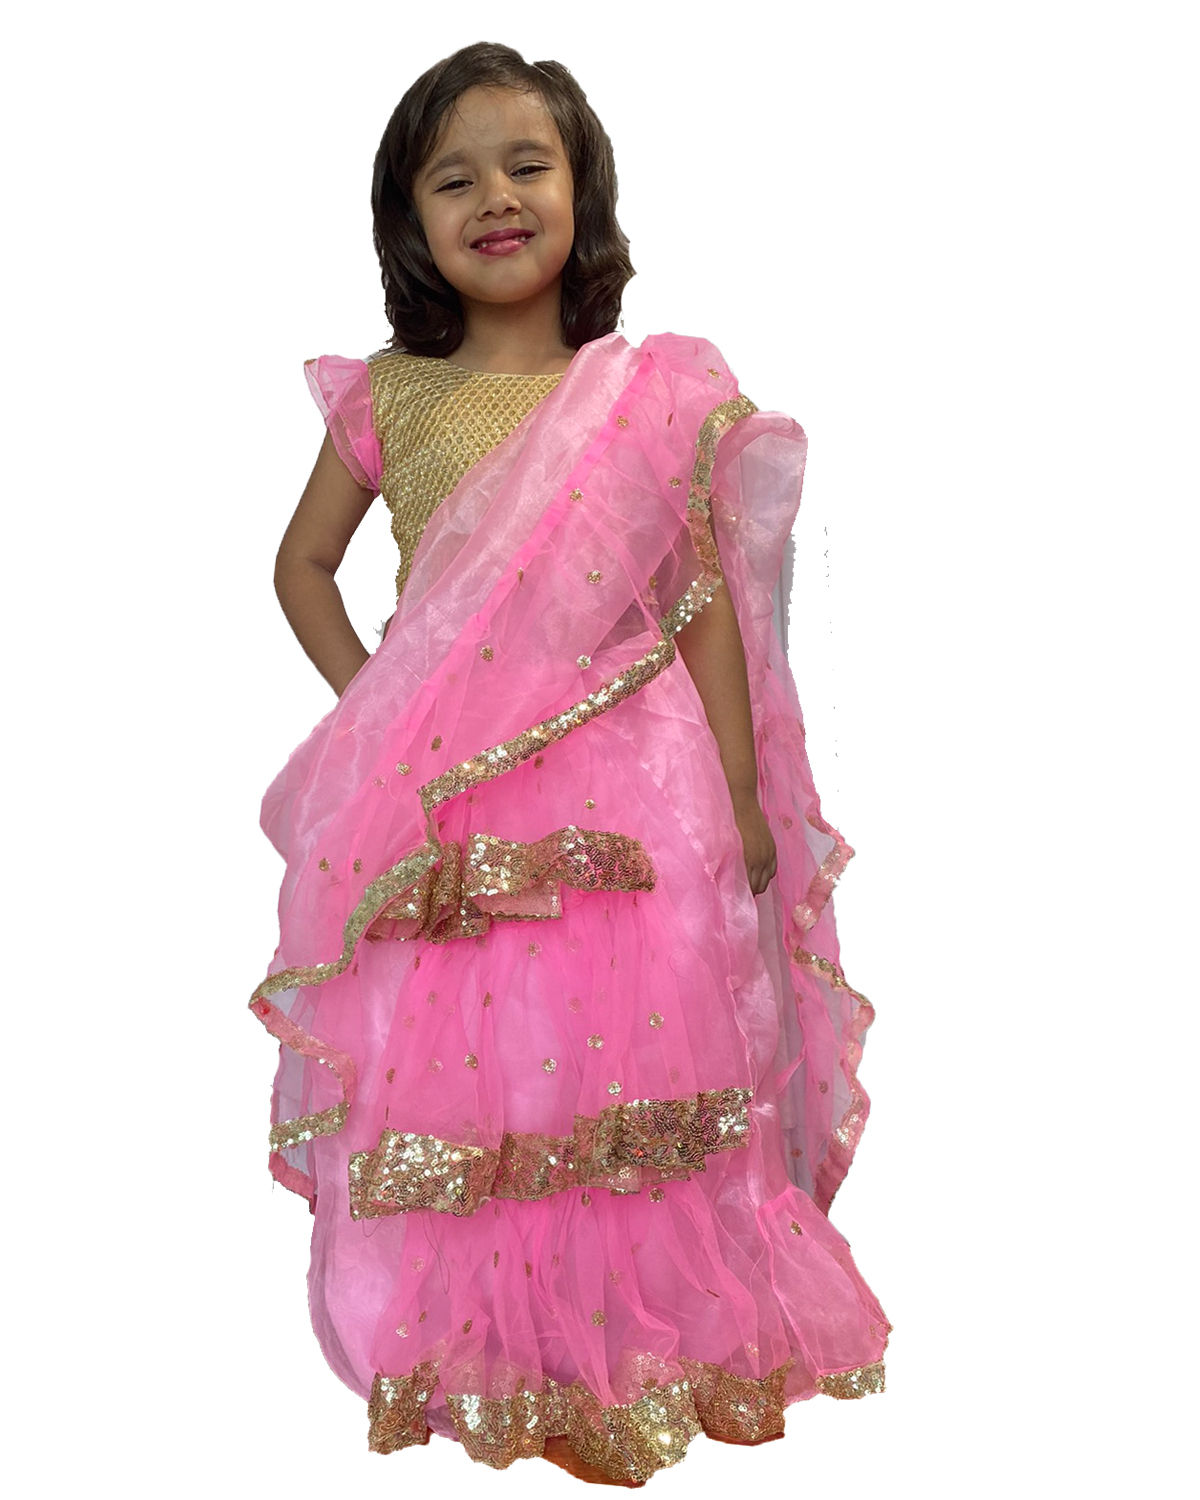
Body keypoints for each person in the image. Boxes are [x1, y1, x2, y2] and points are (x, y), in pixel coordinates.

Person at [255, 40, 889, 1489]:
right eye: (453, 178)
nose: (495, 197)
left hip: (635, 790)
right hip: (449, 806)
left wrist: (742, 794)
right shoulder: (391, 398)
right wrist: (379, 714)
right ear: (406, 221)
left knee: (628, 1067)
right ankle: (503, 1353)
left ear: (583, 195)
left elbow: (701, 598)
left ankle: (633, 1355)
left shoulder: (641, 396)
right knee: (479, 1073)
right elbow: (300, 567)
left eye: (527, 166)